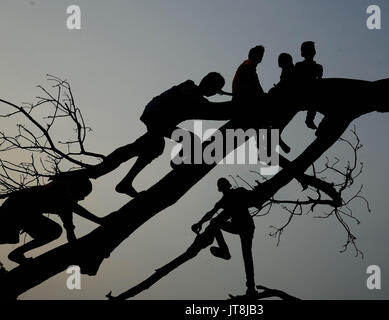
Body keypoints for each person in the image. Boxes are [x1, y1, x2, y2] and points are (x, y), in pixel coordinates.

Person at [62, 73, 227, 197]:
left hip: (159, 120)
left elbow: (211, 109)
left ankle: (123, 182)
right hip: (155, 115)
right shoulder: (190, 86)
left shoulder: (198, 99)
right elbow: (198, 101)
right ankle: (176, 163)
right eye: (214, 88)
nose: (213, 92)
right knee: (185, 140)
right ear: (208, 84)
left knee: (151, 147)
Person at [0, 178, 103, 264]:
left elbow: (68, 220)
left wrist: (71, 236)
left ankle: (17, 254)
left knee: (54, 231)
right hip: (15, 211)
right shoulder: (60, 188)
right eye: (83, 194)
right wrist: (99, 220)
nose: (83, 198)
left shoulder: (65, 201)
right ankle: (17, 254)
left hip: (21, 213)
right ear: (77, 188)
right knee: (54, 231)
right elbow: (73, 208)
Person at [191, 177, 257, 296]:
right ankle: (224, 251)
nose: (224, 188)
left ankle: (251, 288)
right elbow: (210, 213)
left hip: (246, 226)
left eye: (224, 185)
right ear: (221, 189)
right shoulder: (223, 201)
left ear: (226, 186)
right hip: (237, 226)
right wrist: (199, 223)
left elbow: (254, 196)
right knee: (215, 222)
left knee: (247, 255)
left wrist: (256, 201)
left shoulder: (239, 192)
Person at [294, 41, 323, 131]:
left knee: (316, 96)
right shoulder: (299, 66)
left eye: (312, 50)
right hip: (301, 93)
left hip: (313, 93)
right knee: (315, 97)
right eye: (309, 50)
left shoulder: (318, 67)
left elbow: (320, 82)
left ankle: (311, 120)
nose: (312, 52)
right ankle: (309, 119)